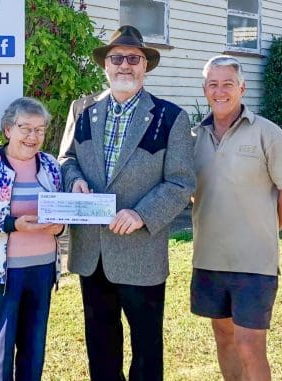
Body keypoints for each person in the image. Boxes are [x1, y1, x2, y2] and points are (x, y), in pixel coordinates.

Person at [58, 25, 195, 380]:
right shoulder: (82, 110)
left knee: (146, 350)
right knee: (100, 347)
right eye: (116, 58)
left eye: (133, 58)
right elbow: (66, 159)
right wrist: (73, 180)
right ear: (105, 65)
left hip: (140, 252)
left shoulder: (171, 118)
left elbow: (181, 182)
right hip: (91, 252)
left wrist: (141, 213)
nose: (124, 65)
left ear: (145, 66)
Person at [191, 55, 282, 381]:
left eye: (228, 83)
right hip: (209, 259)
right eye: (213, 84)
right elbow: (189, 190)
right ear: (204, 90)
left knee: (249, 344)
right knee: (224, 338)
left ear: (242, 87)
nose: (220, 90)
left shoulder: (268, 134)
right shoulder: (194, 139)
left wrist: (265, 231)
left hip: (254, 264)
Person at [0, 97, 64, 381]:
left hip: (42, 271)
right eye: (25, 128)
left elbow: (61, 211)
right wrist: (12, 224)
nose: (33, 137)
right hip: (1, 273)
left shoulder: (51, 166)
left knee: (33, 350)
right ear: (8, 129)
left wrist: (59, 228)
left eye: (40, 130)